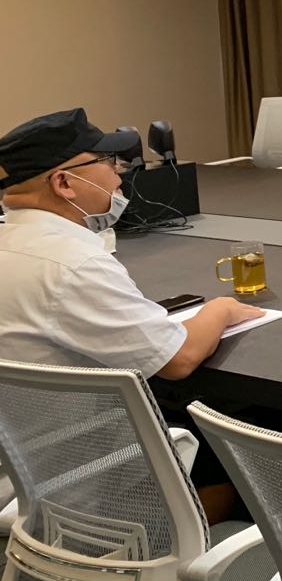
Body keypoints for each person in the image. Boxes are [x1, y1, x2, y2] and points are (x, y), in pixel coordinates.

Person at [0, 108, 263, 379]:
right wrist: (221, 309)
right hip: (93, 408)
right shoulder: (76, 266)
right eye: (107, 160)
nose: (118, 170)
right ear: (64, 182)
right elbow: (178, 359)